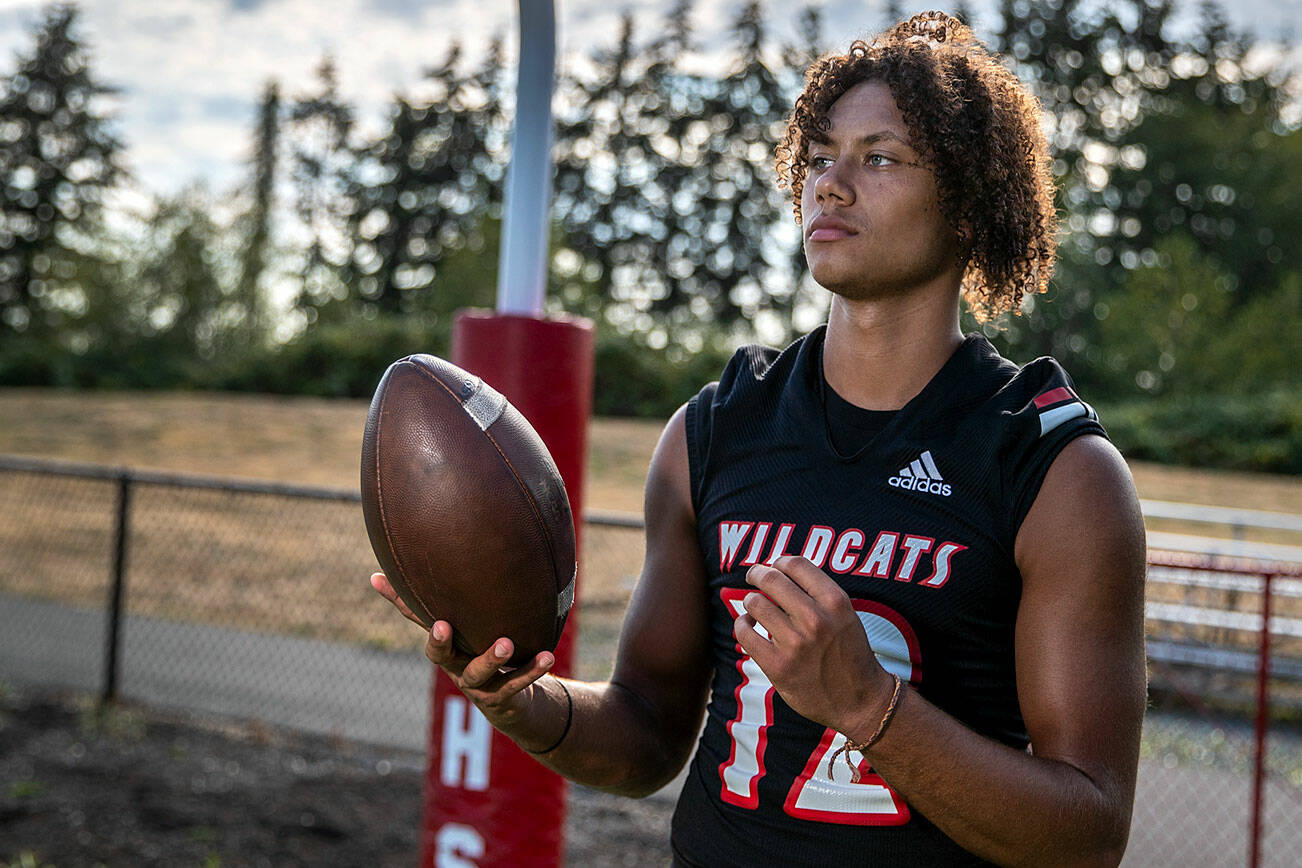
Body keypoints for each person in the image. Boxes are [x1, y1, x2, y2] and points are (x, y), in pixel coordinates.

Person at [373, 12, 1146, 867]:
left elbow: (1089, 834)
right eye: (819, 158)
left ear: (967, 207)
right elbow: (646, 733)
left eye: (879, 157)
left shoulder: (1053, 467)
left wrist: (866, 703)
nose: (833, 185)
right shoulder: (713, 432)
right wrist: (521, 700)